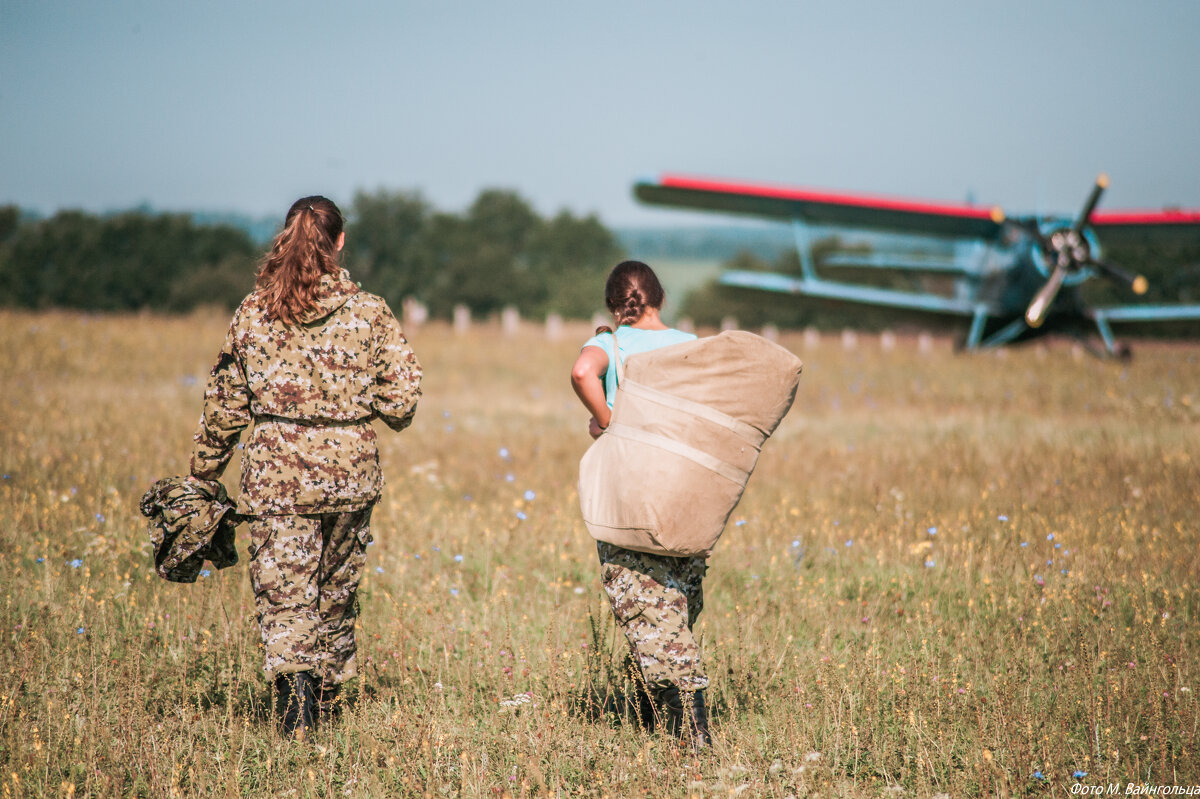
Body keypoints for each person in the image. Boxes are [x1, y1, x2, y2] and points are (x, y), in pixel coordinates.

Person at [190, 196, 422, 739]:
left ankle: (297, 716)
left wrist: (203, 475)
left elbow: (225, 405)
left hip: (276, 478)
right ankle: (326, 698)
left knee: (285, 595)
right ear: (339, 242)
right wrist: (362, 404)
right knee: (335, 594)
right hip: (350, 476)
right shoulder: (369, 311)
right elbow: (403, 402)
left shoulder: (253, 311)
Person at [569, 260, 712, 747]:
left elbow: (582, 371)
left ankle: (690, 727)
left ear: (615, 304)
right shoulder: (691, 345)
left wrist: (608, 420)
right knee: (678, 600)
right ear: (661, 298)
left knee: (643, 600)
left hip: (632, 491)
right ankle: (656, 712)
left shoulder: (609, 344)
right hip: (687, 490)